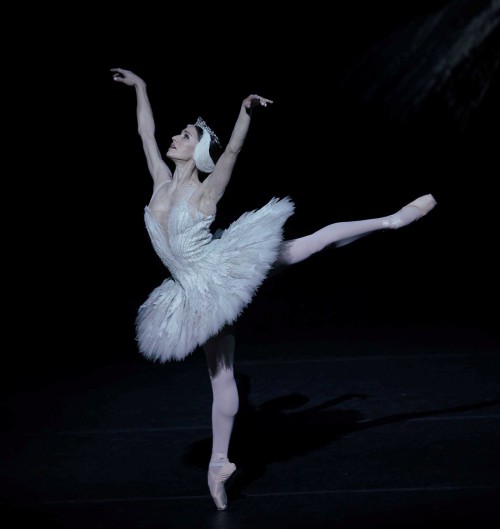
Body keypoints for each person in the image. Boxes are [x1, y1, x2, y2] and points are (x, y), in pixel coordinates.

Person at [110, 67, 437, 511]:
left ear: (197, 149)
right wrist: (141, 89)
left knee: (306, 245)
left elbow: (235, 151)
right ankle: (218, 464)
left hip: (225, 272)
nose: (174, 136)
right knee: (220, 375)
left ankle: (391, 220)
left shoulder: (206, 194)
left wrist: (245, 113)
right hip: (193, 294)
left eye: (184, 134)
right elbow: (144, 132)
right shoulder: (159, 182)